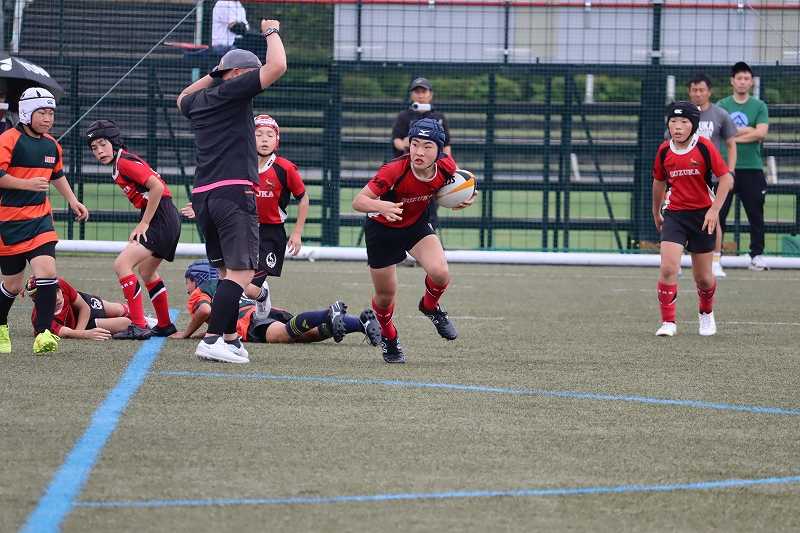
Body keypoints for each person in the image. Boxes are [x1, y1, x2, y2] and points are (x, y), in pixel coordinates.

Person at [177, 23, 286, 364]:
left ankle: (230, 337)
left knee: (226, 272)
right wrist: (271, 32)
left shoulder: (199, 101)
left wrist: (215, 73)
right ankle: (212, 340)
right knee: (242, 273)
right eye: (250, 74)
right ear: (237, 74)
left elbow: (181, 97)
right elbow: (278, 66)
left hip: (204, 196)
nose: (255, 80)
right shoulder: (233, 91)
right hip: (233, 192)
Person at [352, 118, 476, 363]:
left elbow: (451, 187)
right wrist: (381, 206)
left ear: (439, 150)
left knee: (440, 273)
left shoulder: (447, 166)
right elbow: (358, 201)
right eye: (415, 144)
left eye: (427, 146)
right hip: (382, 231)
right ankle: (389, 337)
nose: (419, 152)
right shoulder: (393, 170)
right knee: (385, 296)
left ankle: (430, 306)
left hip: (415, 225)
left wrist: (461, 199)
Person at [0, 87, 89, 354]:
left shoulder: (52, 145)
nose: (48, 118)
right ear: (26, 113)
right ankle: (1, 325)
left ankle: (43, 334)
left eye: (51, 113)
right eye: (42, 113)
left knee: (47, 273)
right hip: (9, 224)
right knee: (13, 285)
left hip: (40, 221)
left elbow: (57, 175)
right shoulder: (8, 140)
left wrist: (73, 200)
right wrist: (26, 184)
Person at [86, 120, 181, 340]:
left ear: (114, 142)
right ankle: (165, 325)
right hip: (165, 216)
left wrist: (145, 223)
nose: (99, 151)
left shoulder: (124, 162)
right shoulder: (119, 164)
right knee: (147, 271)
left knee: (122, 264)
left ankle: (138, 325)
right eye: (94, 148)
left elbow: (157, 187)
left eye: (103, 144)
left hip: (161, 217)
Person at [652, 101, 734, 338]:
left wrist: (714, 211)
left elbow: (726, 179)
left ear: (694, 125)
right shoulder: (664, 150)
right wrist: (656, 212)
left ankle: (706, 314)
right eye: (673, 121)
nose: (677, 127)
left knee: (704, 279)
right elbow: (659, 182)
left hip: (702, 217)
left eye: (684, 122)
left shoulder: (705, 147)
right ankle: (668, 322)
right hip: (675, 215)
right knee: (668, 268)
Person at [173, 260, 382, 349]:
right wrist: (209, 332)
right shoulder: (230, 282)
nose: (186, 288)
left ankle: (329, 313)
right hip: (264, 312)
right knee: (308, 335)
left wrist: (186, 334)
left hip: (250, 321)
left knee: (283, 336)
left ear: (196, 278)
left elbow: (205, 310)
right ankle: (360, 323)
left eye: (187, 281)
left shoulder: (202, 290)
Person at [243, 114, 309, 318]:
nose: (264, 139)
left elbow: (303, 199)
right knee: (235, 280)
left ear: (277, 140)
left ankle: (262, 295)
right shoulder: (240, 166)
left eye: (270, 135)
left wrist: (297, 233)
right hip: (244, 229)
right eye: (259, 134)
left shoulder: (285, 168)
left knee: (251, 290)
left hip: (271, 234)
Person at [717, 62, 770, 272]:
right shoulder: (722, 105)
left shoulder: (759, 106)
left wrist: (733, 137)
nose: (742, 82)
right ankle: (715, 256)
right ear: (732, 81)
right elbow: (719, 132)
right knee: (718, 214)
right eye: (739, 78)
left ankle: (756, 255)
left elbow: (761, 133)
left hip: (752, 168)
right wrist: (748, 130)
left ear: (751, 82)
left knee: (755, 214)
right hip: (725, 169)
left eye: (746, 78)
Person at [685, 73, 738, 278]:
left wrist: (730, 172)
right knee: (680, 218)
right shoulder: (681, 115)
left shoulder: (720, 115)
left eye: (702, 90)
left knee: (714, 218)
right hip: (686, 177)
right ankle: (678, 260)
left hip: (713, 179)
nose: (698, 94)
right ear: (689, 92)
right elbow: (669, 143)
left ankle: (715, 261)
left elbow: (731, 144)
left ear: (709, 92)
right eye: (694, 90)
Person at [391, 77, 452, 231]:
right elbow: (396, 141)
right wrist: (407, 144)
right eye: (417, 91)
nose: (420, 95)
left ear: (430, 94)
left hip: (432, 172)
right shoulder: (404, 116)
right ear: (412, 94)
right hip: (407, 171)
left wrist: (449, 167)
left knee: (430, 212)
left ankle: (428, 236)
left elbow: (446, 146)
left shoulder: (439, 117)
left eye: (423, 91)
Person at [26, 276, 146, 340]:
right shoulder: (39, 319)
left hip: (84, 306)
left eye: (57, 291)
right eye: (49, 296)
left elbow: (84, 307)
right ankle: (144, 322)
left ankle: (144, 319)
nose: (57, 297)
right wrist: (85, 334)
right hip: (84, 326)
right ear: (37, 300)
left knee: (119, 310)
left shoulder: (61, 283)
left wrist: (81, 332)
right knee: (126, 323)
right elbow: (66, 332)